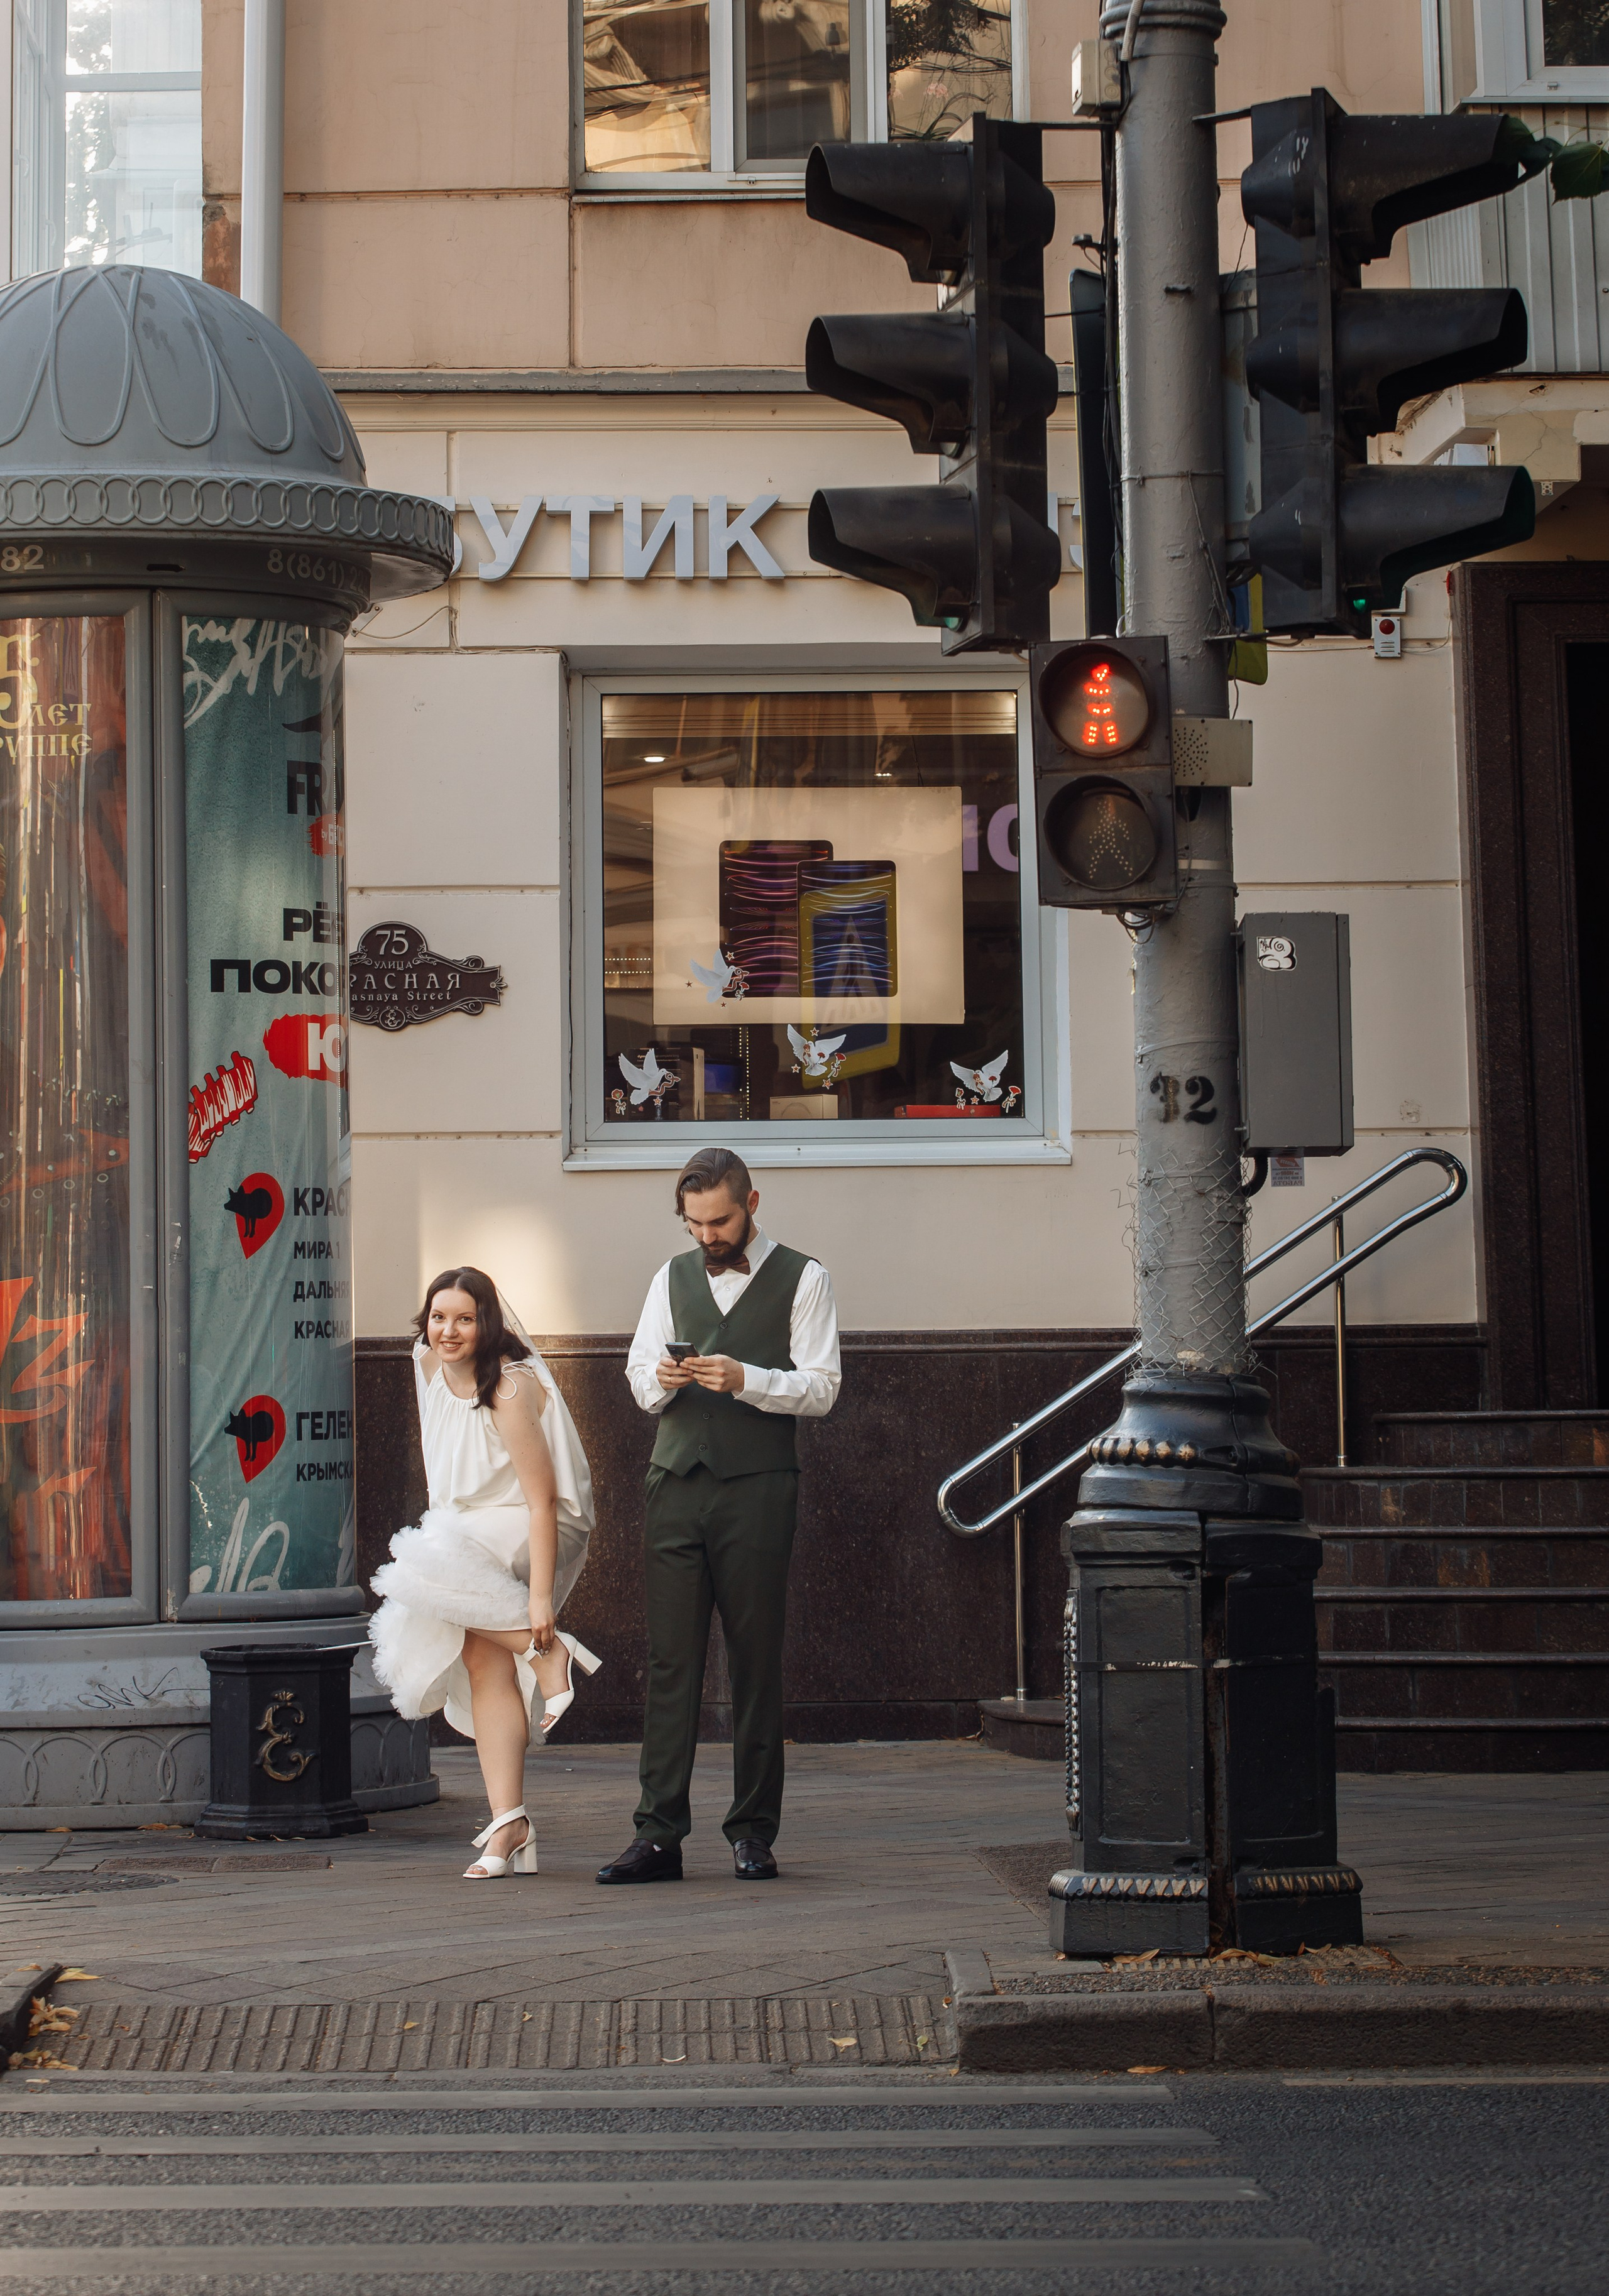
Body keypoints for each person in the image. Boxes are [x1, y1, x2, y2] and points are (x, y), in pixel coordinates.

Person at [598, 1147, 840, 1885]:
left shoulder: (805, 1277)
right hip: (674, 1483)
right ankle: (657, 1835)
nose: (707, 1235)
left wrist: (747, 1380)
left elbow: (823, 1388)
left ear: (753, 1203)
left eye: (720, 1220)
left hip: (759, 1487)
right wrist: (664, 1380)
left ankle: (752, 1833)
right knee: (671, 1661)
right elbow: (639, 1379)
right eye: (694, 1223)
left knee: (755, 1660)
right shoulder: (669, 1277)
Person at [369, 1267, 600, 1879]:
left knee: (416, 1564)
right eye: (439, 1316)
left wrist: (542, 1602)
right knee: (481, 1661)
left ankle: (546, 1651)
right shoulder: (426, 1362)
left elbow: (544, 1502)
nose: (449, 1330)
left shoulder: (509, 1389)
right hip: (464, 1524)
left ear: (487, 1323)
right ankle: (510, 1825)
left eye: (465, 1318)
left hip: (531, 1520)